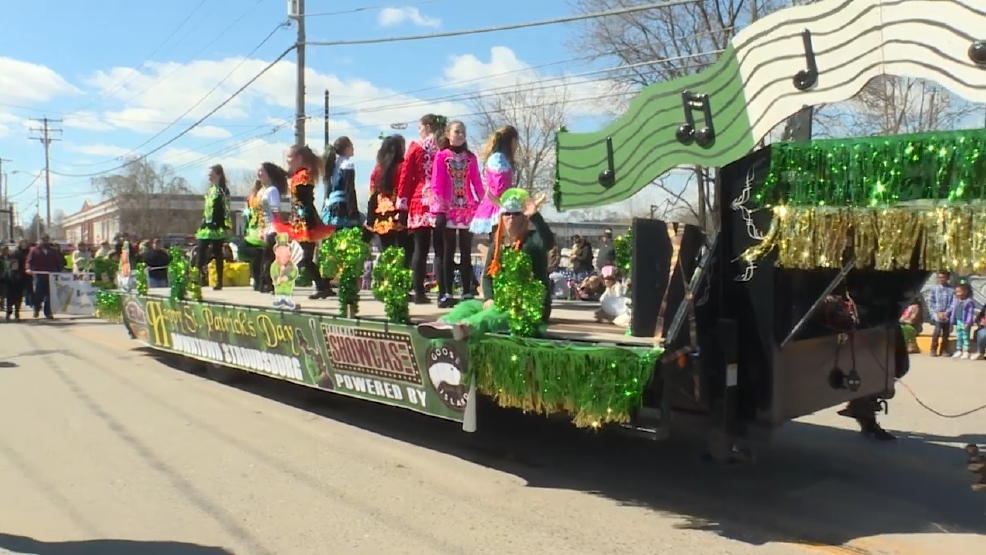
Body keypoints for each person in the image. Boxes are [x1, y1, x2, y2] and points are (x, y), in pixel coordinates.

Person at [418, 188, 554, 340]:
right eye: (507, 213)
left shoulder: (533, 240)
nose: (511, 218)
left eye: (516, 214)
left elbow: (548, 242)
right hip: (500, 303)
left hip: (529, 308)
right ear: (501, 217)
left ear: (524, 217)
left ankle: (466, 328)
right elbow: (488, 277)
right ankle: (445, 324)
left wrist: (535, 216)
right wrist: (489, 297)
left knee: (493, 313)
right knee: (469, 307)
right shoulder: (497, 246)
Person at [431, 120, 484, 308]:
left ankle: (467, 291)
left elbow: (477, 182)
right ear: (448, 134)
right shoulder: (441, 156)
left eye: (463, 131)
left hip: (468, 209)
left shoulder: (471, 157)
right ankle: (446, 292)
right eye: (457, 131)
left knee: (467, 251)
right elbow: (436, 184)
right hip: (448, 208)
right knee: (448, 252)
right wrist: (438, 210)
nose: (460, 135)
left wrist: (485, 204)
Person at [272, 144, 336, 299]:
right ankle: (322, 287)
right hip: (299, 221)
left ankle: (319, 286)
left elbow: (305, 201)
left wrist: (307, 220)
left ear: (299, 158)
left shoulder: (303, 176)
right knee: (303, 257)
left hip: (305, 222)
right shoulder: (297, 176)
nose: (287, 160)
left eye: (289, 157)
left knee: (302, 257)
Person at [398, 114, 448, 304]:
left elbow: (405, 176)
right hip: (439, 199)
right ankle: (443, 292)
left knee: (420, 248)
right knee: (441, 248)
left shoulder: (415, 147)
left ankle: (419, 291)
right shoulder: (444, 148)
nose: (418, 130)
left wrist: (402, 204)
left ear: (427, 127)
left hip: (420, 199)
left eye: (419, 127)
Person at [470, 125, 518, 236]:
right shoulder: (498, 158)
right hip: (497, 205)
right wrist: (505, 201)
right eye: (515, 142)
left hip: (501, 203)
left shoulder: (502, 159)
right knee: (498, 240)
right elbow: (499, 184)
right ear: (511, 141)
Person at [195, 164, 232, 291]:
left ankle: (219, 281)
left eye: (212, 175)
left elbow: (226, 208)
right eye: (209, 175)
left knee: (217, 253)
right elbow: (206, 208)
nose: (209, 177)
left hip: (217, 226)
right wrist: (203, 221)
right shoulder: (210, 190)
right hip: (207, 225)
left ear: (219, 175)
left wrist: (227, 225)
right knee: (200, 250)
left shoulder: (223, 191)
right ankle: (196, 278)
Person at [367, 134, 407, 250]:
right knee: (404, 255)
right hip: (401, 216)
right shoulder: (403, 167)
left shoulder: (377, 169)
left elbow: (372, 196)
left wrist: (370, 220)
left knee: (387, 255)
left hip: (382, 218)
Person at [257, 162, 288, 294]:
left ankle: (269, 284)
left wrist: (278, 227)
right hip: (268, 228)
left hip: (274, 228)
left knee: (270, 258)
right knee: (267, 257)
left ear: (269, 174)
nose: (259, 173)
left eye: (262, 171)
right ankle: (265, 283)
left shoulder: (272, 191)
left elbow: (275, 210)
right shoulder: (265, 191)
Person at [321, 136, 361, 232]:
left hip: (332, 206)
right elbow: (350, 190)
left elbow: (328, 188)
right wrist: (353, 215)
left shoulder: (333, 164)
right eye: (352, 146)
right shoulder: (347, 165)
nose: (353, 149)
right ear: (347, 149)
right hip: (343, 207)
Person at [26, 234, 61, 319]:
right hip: (39, 276)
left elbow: (58, 262)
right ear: (40, 240)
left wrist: (59, 271)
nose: (45, 241)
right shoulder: (34, 250)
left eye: (46, 240)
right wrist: (28, 269)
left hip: (50, 276)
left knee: (49, 296)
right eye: (43, 239)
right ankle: (36, 310)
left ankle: (48, 313)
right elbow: (29, 261)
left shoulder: (53, 251)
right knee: (38, 294)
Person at [243, 179, 267, 291]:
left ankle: (256, 280)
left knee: (256, 258)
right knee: (262, 257)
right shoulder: (262, 195)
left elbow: (247, 214)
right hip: (260, 228)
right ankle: (261, 281)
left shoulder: (250, 197)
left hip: (252, 229)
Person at [926, 270, 954, 356]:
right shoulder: (934, 288)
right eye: (939, 277)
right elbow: (931, 302)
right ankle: (933, 349)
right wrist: (937, 313)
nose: (941, 279)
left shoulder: (951, 290)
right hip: (937, 315)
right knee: (937, 332)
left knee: (946, 334)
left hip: (947, 315)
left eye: (943, 277)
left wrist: (947, 313)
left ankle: (944, 350)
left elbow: (953, 303)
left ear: (947, 278)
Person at [3, 242, 28, 321]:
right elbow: (14, 268)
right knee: (16, 298)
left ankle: (10, 314)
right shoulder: (18, 255)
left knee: (11, 298)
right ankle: (15, 314)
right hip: (15, 280)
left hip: (12, 280)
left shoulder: (10, 256)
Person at [951, 281, 976, 359]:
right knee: (959, 336)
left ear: (966, 292)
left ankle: (966, 351)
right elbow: (952, 310)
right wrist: (951, 320)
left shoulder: (969, 302)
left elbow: (970, 313)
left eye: (959, 292)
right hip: (958, 321)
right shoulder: (956, 301)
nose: (958, 294)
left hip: (965, 322)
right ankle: (959, 350)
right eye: (956, 292)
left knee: (965, 337)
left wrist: (968, 322)